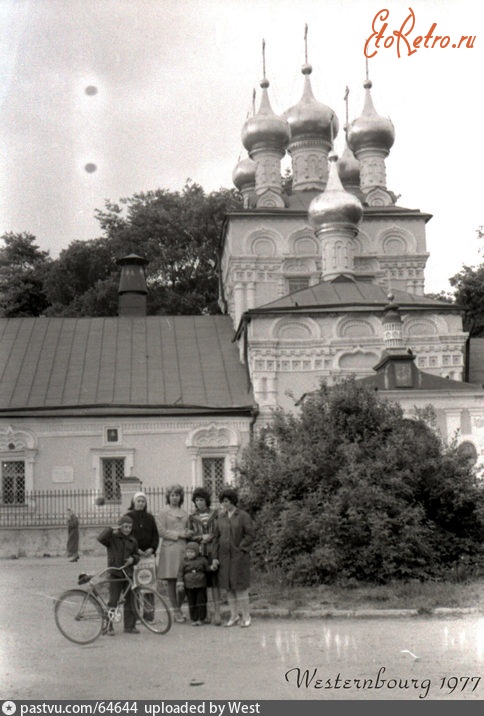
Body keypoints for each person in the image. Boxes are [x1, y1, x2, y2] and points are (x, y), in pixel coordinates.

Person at [212, 487, 255, 628]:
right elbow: (215, 539)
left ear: (233, 501)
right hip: (224, 559)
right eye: (223, 501)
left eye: (227, 501)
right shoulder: (220, 517)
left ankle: (246, 617)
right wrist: (215, 557)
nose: (225, 504)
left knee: (241, 588)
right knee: (229, 588)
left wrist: (241, 549)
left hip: (239, 558)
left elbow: (250, 535)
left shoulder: (243, 516)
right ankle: (234, 616)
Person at [97, 514, 140, 635]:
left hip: (128, 574)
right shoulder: (112, 538)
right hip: (115, 574)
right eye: (125, 526)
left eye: (130, 527)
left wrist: (133, 559)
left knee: (131, 600)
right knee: (113, 601)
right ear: (120, 527)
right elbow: (100, 538)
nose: (127, 529)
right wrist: (111, 528)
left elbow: (137, 555)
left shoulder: (133, 540)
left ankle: (130, 626)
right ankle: (108, 626)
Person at [157, 483, 192, 623]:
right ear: (168, 497)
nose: (175, 498)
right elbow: (162, 531)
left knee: (183, 579)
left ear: (181, 497)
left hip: (183, 548)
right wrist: (179, 534)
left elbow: (188, 530)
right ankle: (176, 611)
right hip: (169, 549)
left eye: (177, 495)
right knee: (171, 580)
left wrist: (188, 533)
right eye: (172, 495)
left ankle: (178, 607)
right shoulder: (163, 512)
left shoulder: (185, 513)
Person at [188, 487, 222, 625]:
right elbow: (190, 535)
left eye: (202, 500)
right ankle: (205, 614)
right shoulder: (192, 517)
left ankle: (217, 613)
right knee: (202, 584)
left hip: (212, 552)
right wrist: (201, 537)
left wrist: (211, 537)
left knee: (214, 583)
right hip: (199, 554)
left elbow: (219, 532)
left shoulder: (215, 514)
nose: (199, 502)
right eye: (197, 500)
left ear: (206, 501)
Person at [176, 541, 214, 626]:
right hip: (189, 585)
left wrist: (212, 568)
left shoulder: (202, 560)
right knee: (191, 602)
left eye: (192, 552)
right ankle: (194, 618)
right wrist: (180, 582)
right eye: (188, 552)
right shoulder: (184, 562)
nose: (189, 554)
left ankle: (201, 618)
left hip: (201, 584)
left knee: (201, 601)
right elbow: (180, 573)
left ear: (197, 552)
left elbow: (207, 569)